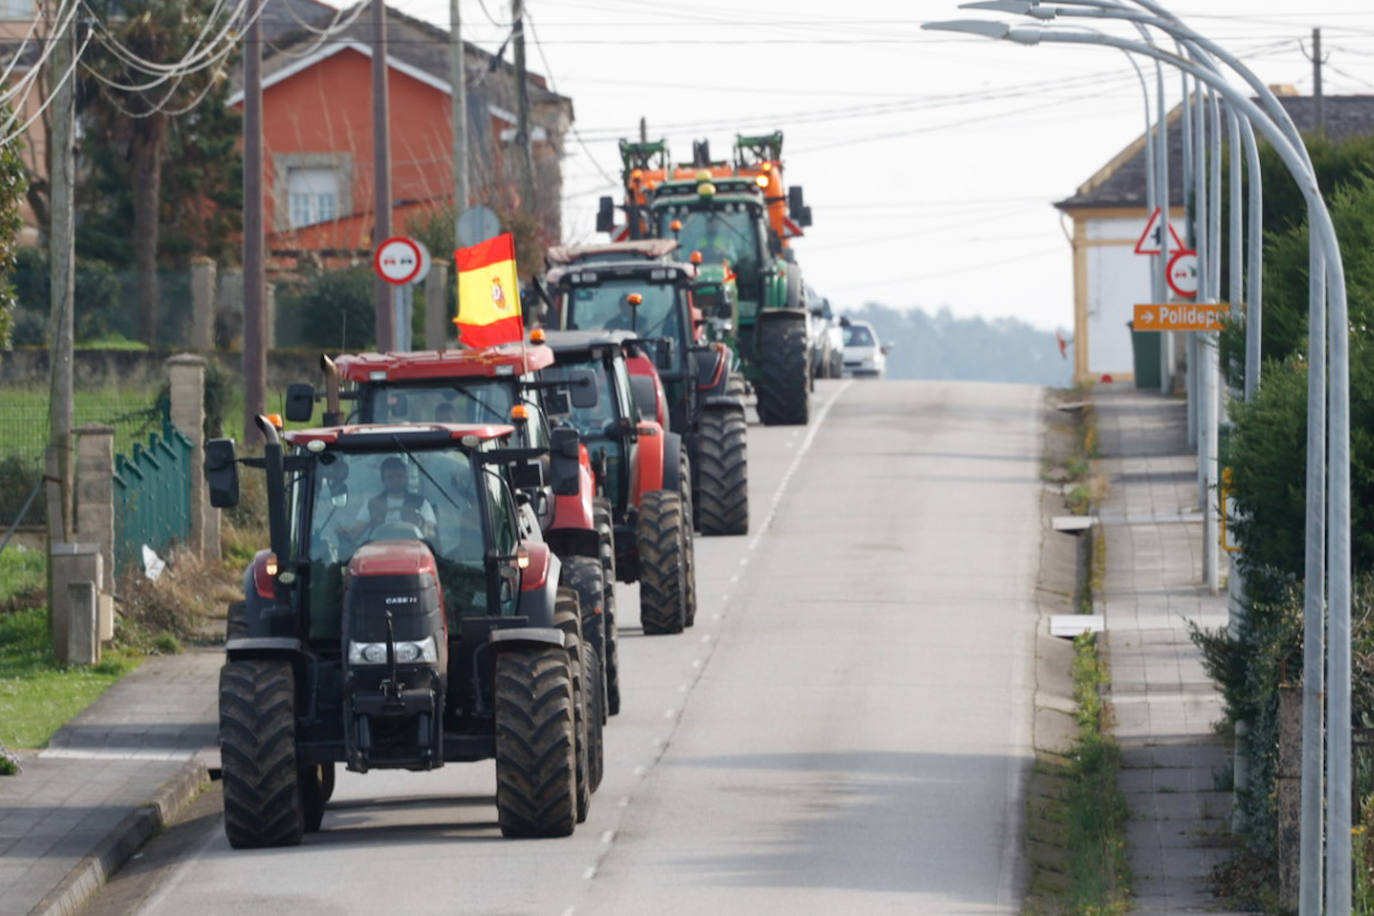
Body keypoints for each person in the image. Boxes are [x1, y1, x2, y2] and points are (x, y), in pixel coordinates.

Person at [343, 456, 437, 542]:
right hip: (377, 554)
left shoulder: (421, 503)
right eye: (390, 477)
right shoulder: (372, 504)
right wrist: (344, 534)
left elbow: (431, 532)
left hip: (415, 552)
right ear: (383, 480)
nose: (395, 480)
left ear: (406, 477)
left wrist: (425, 530)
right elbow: (355, 533)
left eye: (399, 476)